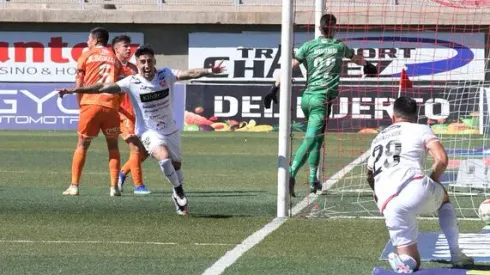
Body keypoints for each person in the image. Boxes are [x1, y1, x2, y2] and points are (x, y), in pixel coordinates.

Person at [57, 44, 225, 215]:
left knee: (176, 165)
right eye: (142, 61)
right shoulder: (131, 82)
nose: (146, 65)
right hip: (148, 131)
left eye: (149, 61)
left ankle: (176, 194)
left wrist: (210, 70)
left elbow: (189, 73)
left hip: (171, 130)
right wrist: (73, 90)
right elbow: (101, 87)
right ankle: (179, 190)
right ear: (137, 63)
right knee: (164, 158)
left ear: (154, 62)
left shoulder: (165, 75)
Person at [264, 13, 378, 197]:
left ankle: (312, 180)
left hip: (307, 98)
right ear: (336, 28)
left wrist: (273, 89)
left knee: (318, 138)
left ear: (319, 28)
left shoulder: (308, 46)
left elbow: (288, 67)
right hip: (321, 99)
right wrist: (368, 64)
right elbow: (355, 58)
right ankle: (291, 173)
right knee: (311, 139)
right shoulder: (339, 46)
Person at [366, 96, 474, 273]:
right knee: (444, 197)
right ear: (416, 116)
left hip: (387, 202)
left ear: (393, 117)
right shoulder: (421, 129)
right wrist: (433, 178)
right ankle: (456, 255)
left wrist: (378, 194)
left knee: (413, 263)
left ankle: (404, 262)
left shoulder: (378, 138)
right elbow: (442, 160)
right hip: (413, 187)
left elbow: (370, 175)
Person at [63, 27, 123, 197]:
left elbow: (79, 84)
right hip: (111, 106)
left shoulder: (86, 55)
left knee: (82, 145)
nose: (87, 42)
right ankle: (114, 187)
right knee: (113, 145)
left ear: (96, 40)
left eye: (89, 39)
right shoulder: (115, 59)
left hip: (90, 104)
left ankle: (74, 186)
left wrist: (81, 105)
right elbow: (120, 87)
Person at [111, 35, 151, 195]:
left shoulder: (134, 68)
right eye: (125, 46)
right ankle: (139, 186)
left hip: (138, 114)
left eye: (129, 46)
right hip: (122, 114)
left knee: (146, 150)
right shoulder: (112, 67)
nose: (129, 49)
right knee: (135, 148)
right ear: (116, 49)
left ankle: (122, 173)